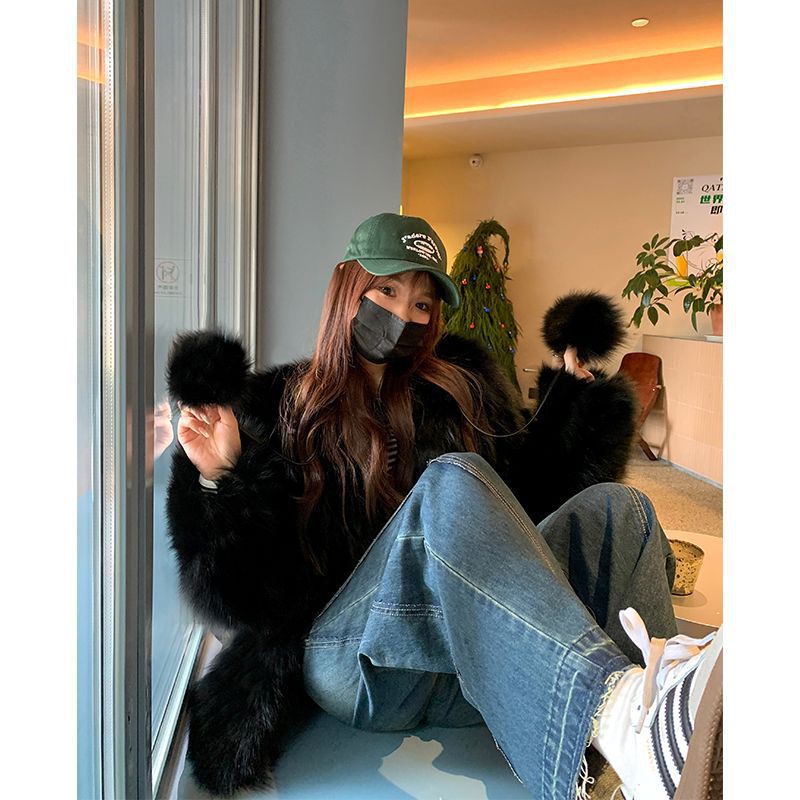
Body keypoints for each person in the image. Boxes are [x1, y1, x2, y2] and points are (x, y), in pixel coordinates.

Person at [165, 212, 722, 799]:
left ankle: (656, 733)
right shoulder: (276, 405)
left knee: (621, 509)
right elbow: (234, 602)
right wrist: (222, 479)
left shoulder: (460, 387)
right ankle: (617, 712)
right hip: (354, 660)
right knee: (452, 479)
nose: (404, 315)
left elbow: (526, 510)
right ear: (347, 288)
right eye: (387, 291)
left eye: (423, 304)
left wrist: (575, 403)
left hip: (462, 659)